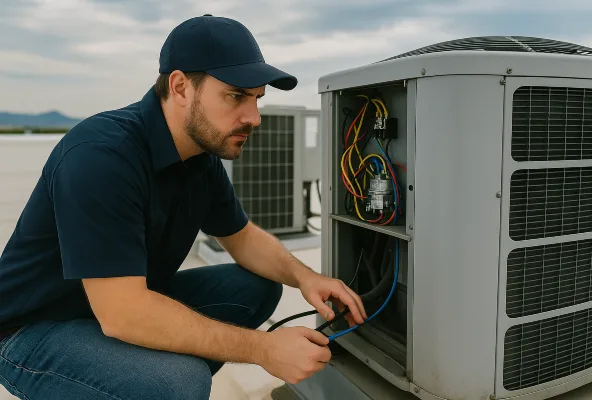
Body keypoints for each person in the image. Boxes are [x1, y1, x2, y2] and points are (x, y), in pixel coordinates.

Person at [0, 14, 367, 400]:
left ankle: (138, 379)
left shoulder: (198, 156)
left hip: (111, 308)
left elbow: (241, 238)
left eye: (257, 98)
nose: (254, 118)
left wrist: (307, 278)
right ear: (180, 88)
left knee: (256, 287)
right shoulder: (100, 156)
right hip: (33, 329)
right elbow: (122, 311)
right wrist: (264, 349)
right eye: (236, 96)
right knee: (180, 382)